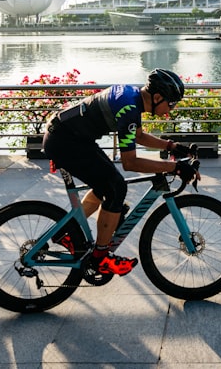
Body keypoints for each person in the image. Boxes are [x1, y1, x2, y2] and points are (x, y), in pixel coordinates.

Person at [42, 69, 199, 277]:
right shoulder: (129, 108)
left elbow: (139, 136)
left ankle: (65, 233)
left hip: (69, 136)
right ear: (157, 97)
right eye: (171, 103)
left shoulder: (133, 98)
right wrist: (175, 167)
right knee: (116, 187)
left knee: (106, 185)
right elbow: (130, 162)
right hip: (66, 141)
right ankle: (100, 258)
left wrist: (172, 146)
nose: (171, 109)